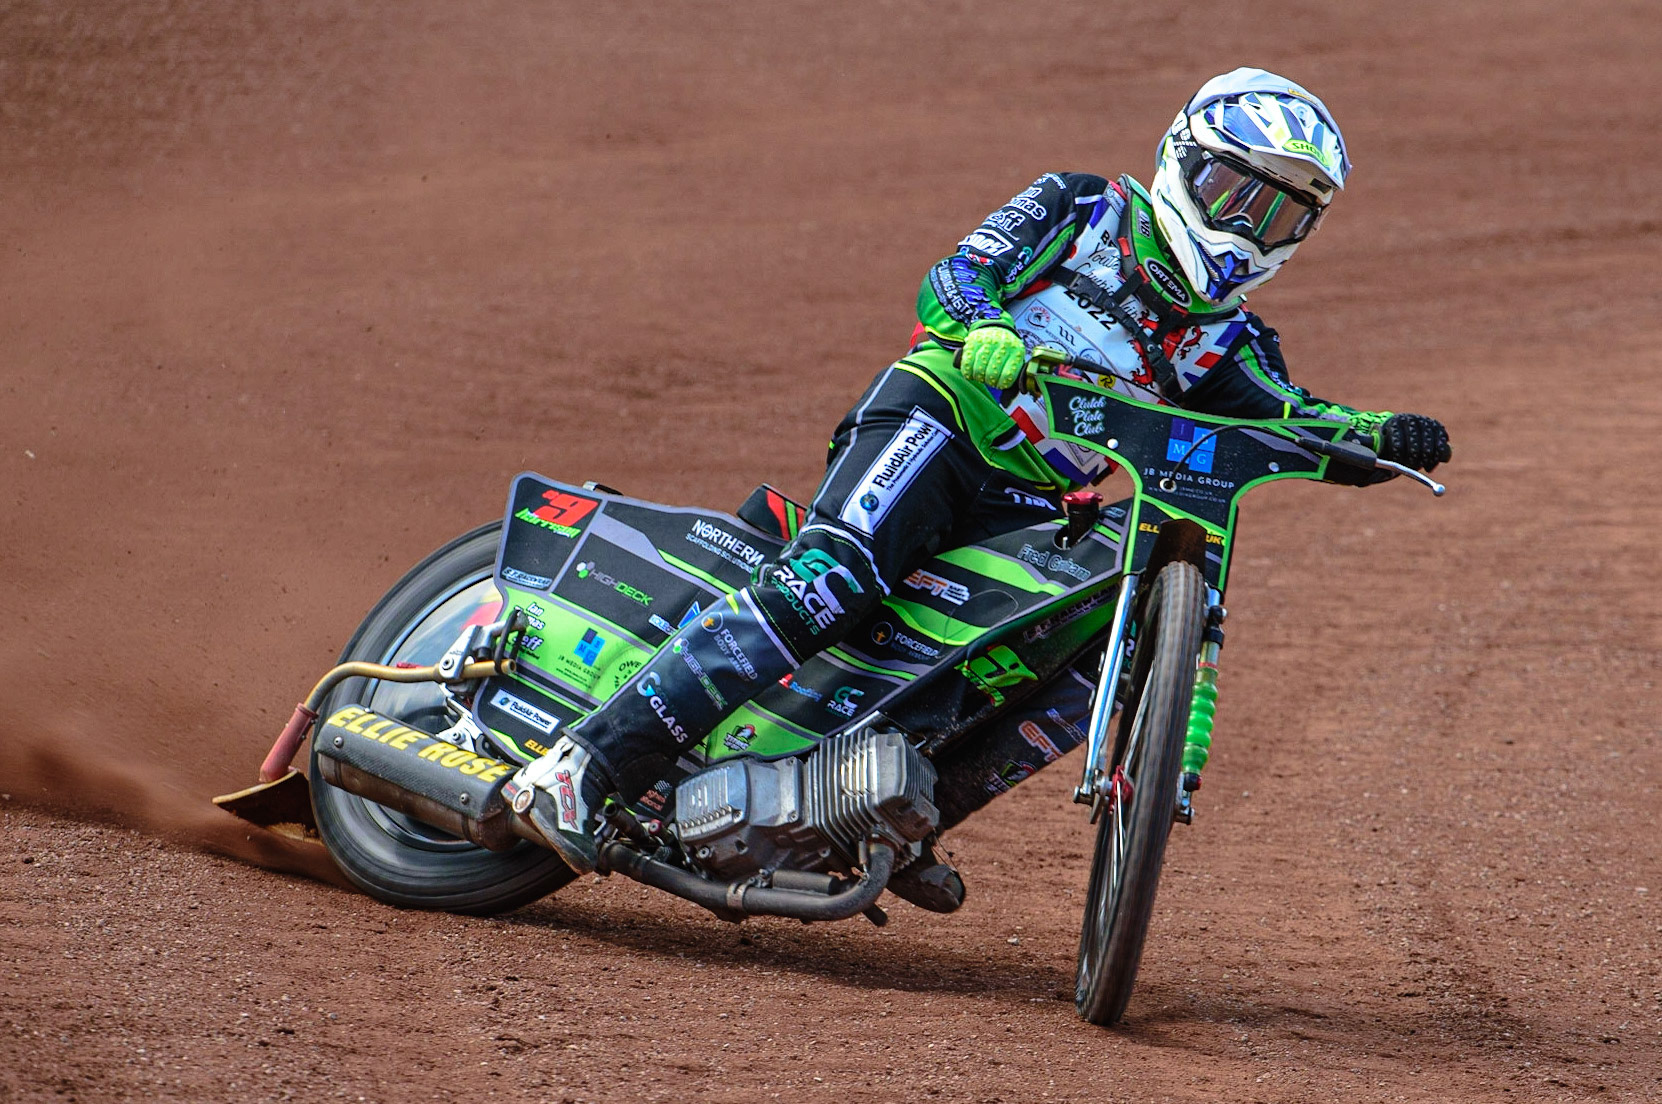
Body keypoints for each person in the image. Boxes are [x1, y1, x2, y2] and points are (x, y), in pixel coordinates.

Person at [503, 68, 1451, 908]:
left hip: (1038, 501)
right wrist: (985, 327)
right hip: (941, 422)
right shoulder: (1082, 210)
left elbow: (1291, 418)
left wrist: (1379, 435)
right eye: (1236, 193)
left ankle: (889, 807)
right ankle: (582, 768)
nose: (1250, 226)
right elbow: (955, 276)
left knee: (1077, 651)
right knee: (831, 579)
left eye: (1281, 214)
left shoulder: (1231, 343)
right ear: (1182, 160)